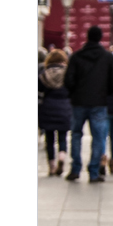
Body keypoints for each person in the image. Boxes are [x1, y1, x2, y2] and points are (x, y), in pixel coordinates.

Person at [63, 25, 113, 183]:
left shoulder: (77, 57)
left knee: (76, 134)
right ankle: (93, 171)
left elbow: (68, 80)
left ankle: (76, 168)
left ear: (87, 37)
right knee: (99, 137)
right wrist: (105, 93)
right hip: (99, 102)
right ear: (100, 38)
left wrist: (74, 93)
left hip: (78, 102)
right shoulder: (107, 57)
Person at [38, 49, 73, 177]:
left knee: (50, 139)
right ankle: (62, 158)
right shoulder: (68, 74)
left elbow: (38, 92)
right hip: (64, 107)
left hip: (47, 108)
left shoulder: (43, 74)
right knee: (62, 137)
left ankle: (52, 166)